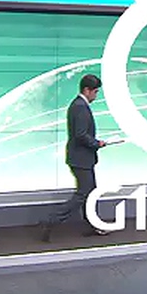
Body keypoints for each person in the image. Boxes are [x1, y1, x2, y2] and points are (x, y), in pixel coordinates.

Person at [39, 73, 111, 241]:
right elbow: (80, 135)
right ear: (87, 90)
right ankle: (51, 220)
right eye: (95, 92)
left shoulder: (78, 105)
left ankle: (94, 225)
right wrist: (97, 143)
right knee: (84, 194)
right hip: (81, 158)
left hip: (81, 158)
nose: (96, 96)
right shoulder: (80, 107)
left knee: (89, 193)